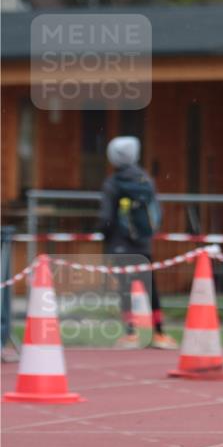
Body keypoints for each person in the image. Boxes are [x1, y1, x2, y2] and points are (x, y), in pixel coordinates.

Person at [99, 136, 178, 350]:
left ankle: (131, 333)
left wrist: (106, 236)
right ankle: (159, 333)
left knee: (125, 289)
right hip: (143, 244)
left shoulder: (112, 183)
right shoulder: (146, 180)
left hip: (118, 243)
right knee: (150, 288)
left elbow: (106, 217)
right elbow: (157, 211)